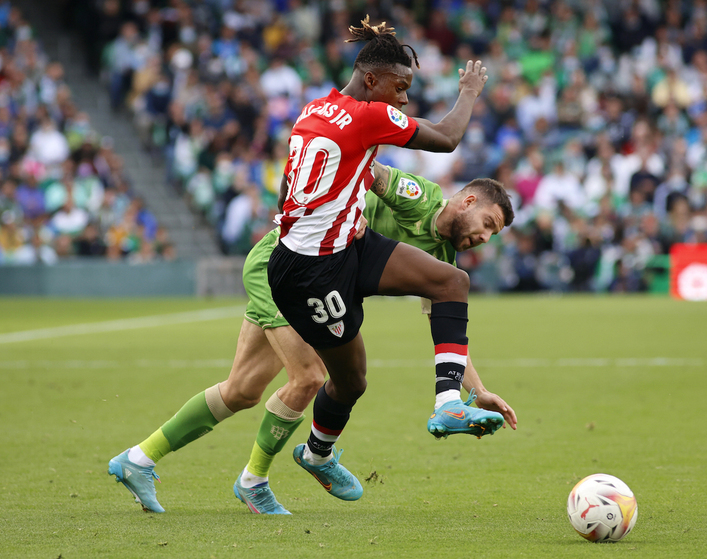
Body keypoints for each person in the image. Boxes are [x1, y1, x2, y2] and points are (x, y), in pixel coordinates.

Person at [108, 161, 516, 514]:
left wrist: (477, 390)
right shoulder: (418, 196)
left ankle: (138, 459)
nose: (485, 237)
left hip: (308, 282)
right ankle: (254, 482)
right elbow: (359, 170)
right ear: (467, 202)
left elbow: (445, 331)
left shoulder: (443, 260)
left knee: (242, 391)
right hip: (284, 267)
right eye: (488, 224)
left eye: (492, 234)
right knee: (308, 377)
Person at [266, 17, 505, 503]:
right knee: (350, 380)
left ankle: (447, 403)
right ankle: (313, 456)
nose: (403, 100)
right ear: (371, 79)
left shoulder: (317, 107)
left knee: (450, 282)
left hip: (348, 242)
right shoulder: (367, 116)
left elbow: (319, 176)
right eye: (401, 87)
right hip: (310, 270)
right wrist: (471, 92)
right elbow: (447, 137)